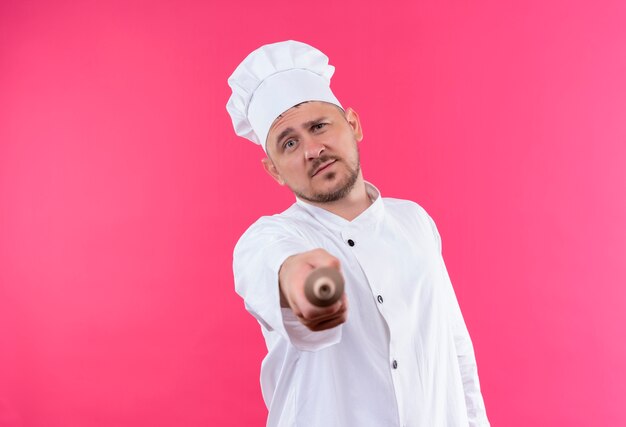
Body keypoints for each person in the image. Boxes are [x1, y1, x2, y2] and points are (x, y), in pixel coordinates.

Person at [226, 40, 490, 427]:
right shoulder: (269, 237)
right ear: (275, 171)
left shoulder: (415, 221)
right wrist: (302, 280)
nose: (311, 149)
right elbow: (273, 268)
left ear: (353, 124)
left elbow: (454, 348)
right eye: (289, 143)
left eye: (318, 126)